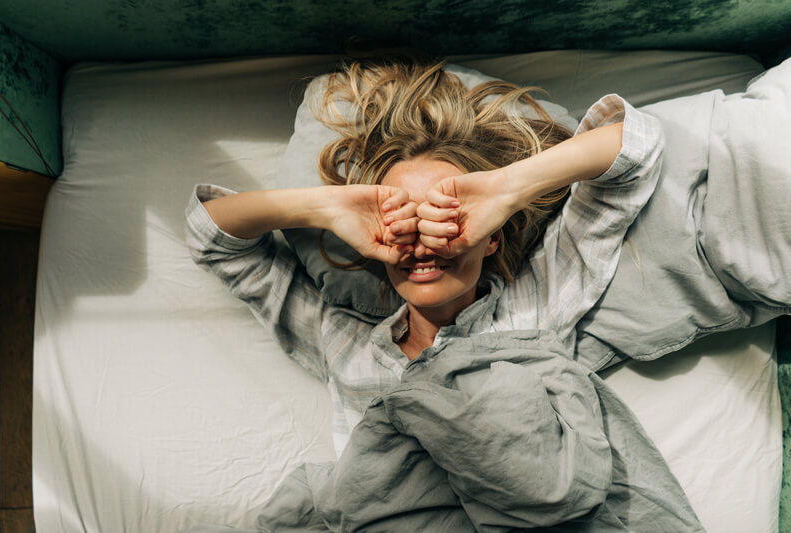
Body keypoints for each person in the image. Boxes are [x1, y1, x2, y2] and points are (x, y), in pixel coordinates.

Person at [184, 57, 704, 530]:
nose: (423, 242)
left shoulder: (539, 303)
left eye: (444, 217)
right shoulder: (342, 342)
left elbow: (632, 146)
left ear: (492, 233)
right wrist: (328, 209)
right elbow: (212, 236)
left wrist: (505, 189)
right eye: (404, 221)